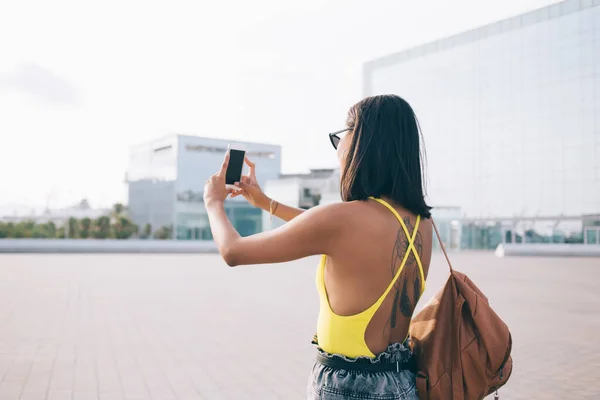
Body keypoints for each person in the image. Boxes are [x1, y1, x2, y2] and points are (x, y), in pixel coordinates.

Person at [203, 94, 432, 400]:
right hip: (403, 380)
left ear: (363, 142)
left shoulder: (343, 220)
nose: (339, 148)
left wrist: (212, 202)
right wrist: (266, 203)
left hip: (348, 388)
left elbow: (233, 251)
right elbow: (323, 231)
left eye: (343, 136)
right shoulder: (422, 223)